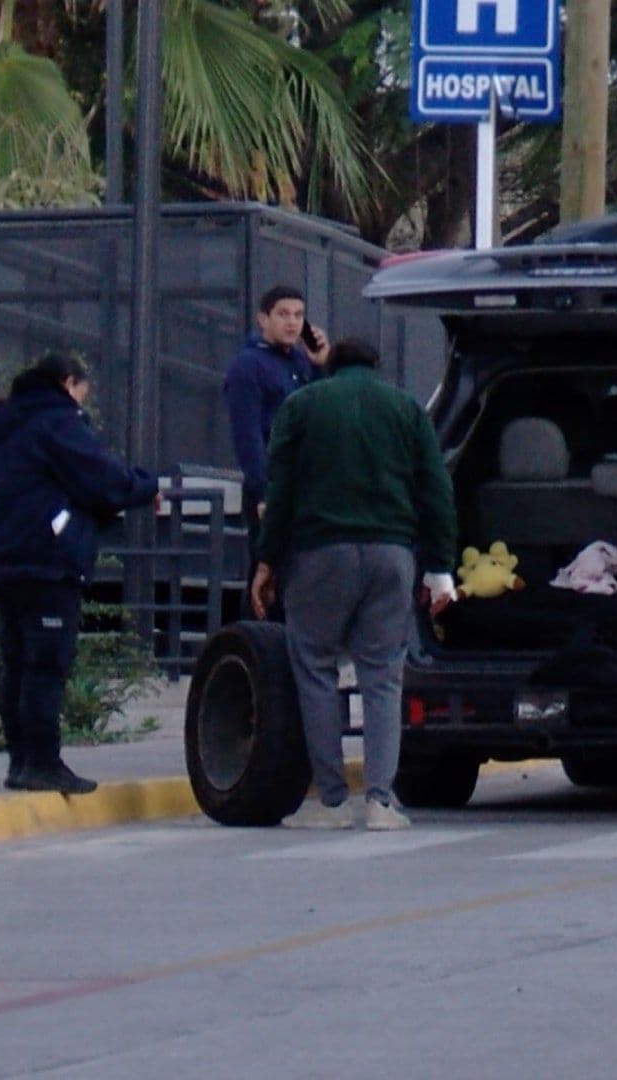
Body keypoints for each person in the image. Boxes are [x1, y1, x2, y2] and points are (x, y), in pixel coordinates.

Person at [251, 338, 459, 830]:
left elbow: (280, 490)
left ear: (332, 368)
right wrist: (440, 566)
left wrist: (267, 560)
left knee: (317, 666)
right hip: (392, 555)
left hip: (319, 552)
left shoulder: (302, 406)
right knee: (383, 674)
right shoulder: (406, 408)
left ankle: (333, 800)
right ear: (376, 366)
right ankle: (381, 801)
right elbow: (436, 489)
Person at [0, 353, 160, 794]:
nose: (83, 403)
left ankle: (21, 761)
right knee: (46, 663)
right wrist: (146, 486)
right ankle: (42, 762)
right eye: (82, 392)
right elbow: (100, 478)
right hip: (45, 556)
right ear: (68, 383)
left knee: (16, 662)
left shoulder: (5, 427)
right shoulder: (58, 421)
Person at [223, 285, 329, 545]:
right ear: (263, 319)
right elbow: (247, 436)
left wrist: (320, 366)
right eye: (283, 314)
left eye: (298, 315)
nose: (292, 322)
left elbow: (321, 410)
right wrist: (264, 493)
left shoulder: (300, 361)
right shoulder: (248, 365)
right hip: (275, 482)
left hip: (306, 481)